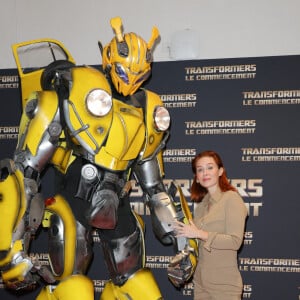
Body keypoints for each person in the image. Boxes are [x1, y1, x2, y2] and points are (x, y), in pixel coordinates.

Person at [0, 17, 198, 299]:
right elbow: (24, 174)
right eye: (124, 71)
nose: (130, 80)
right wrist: (12, 249)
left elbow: (155, 189)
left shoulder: (147, 111)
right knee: (73, 288)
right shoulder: (75, 93)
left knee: (139, 287)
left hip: (117, 206)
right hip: (74, 202)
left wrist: (185, 246)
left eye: (138, 73)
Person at [172, 150, 248, 300]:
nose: (205, 172)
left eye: (210, 167)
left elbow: (235, 241)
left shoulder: (232, 199)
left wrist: (198, 233)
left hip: (224, 285)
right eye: (200, 169)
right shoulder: (200, 206)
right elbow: (195, 241)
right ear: (197, 178)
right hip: (200, 282)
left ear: (220, 171)